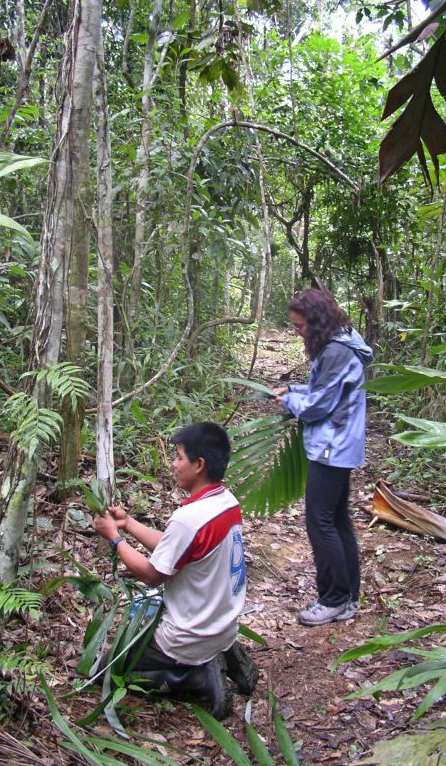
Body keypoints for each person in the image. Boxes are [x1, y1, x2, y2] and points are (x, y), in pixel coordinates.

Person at [93, 421, 258, 719]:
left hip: (187, 636)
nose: (173, 464)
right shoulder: (226, 503)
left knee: (106, 670)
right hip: (223, 624)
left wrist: (114, 538)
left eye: (179, 457)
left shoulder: (189, 518)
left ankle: (197, 678)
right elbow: (177, 549)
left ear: (199, 465)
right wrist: (128, 523)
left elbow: (151, 574)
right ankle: (221, 653)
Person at [275, 288, 373, 626]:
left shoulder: (335, 351)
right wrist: (294, 390)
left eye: (299, 326)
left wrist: (290, 402)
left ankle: (333, 599)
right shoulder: (342, 342)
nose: (297, 331)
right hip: (341, 443)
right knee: (337, 519)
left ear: (316, 322)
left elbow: (317, 407)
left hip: (333, 445)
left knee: (321, 521)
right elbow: (326, 389)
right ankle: (348, 596)